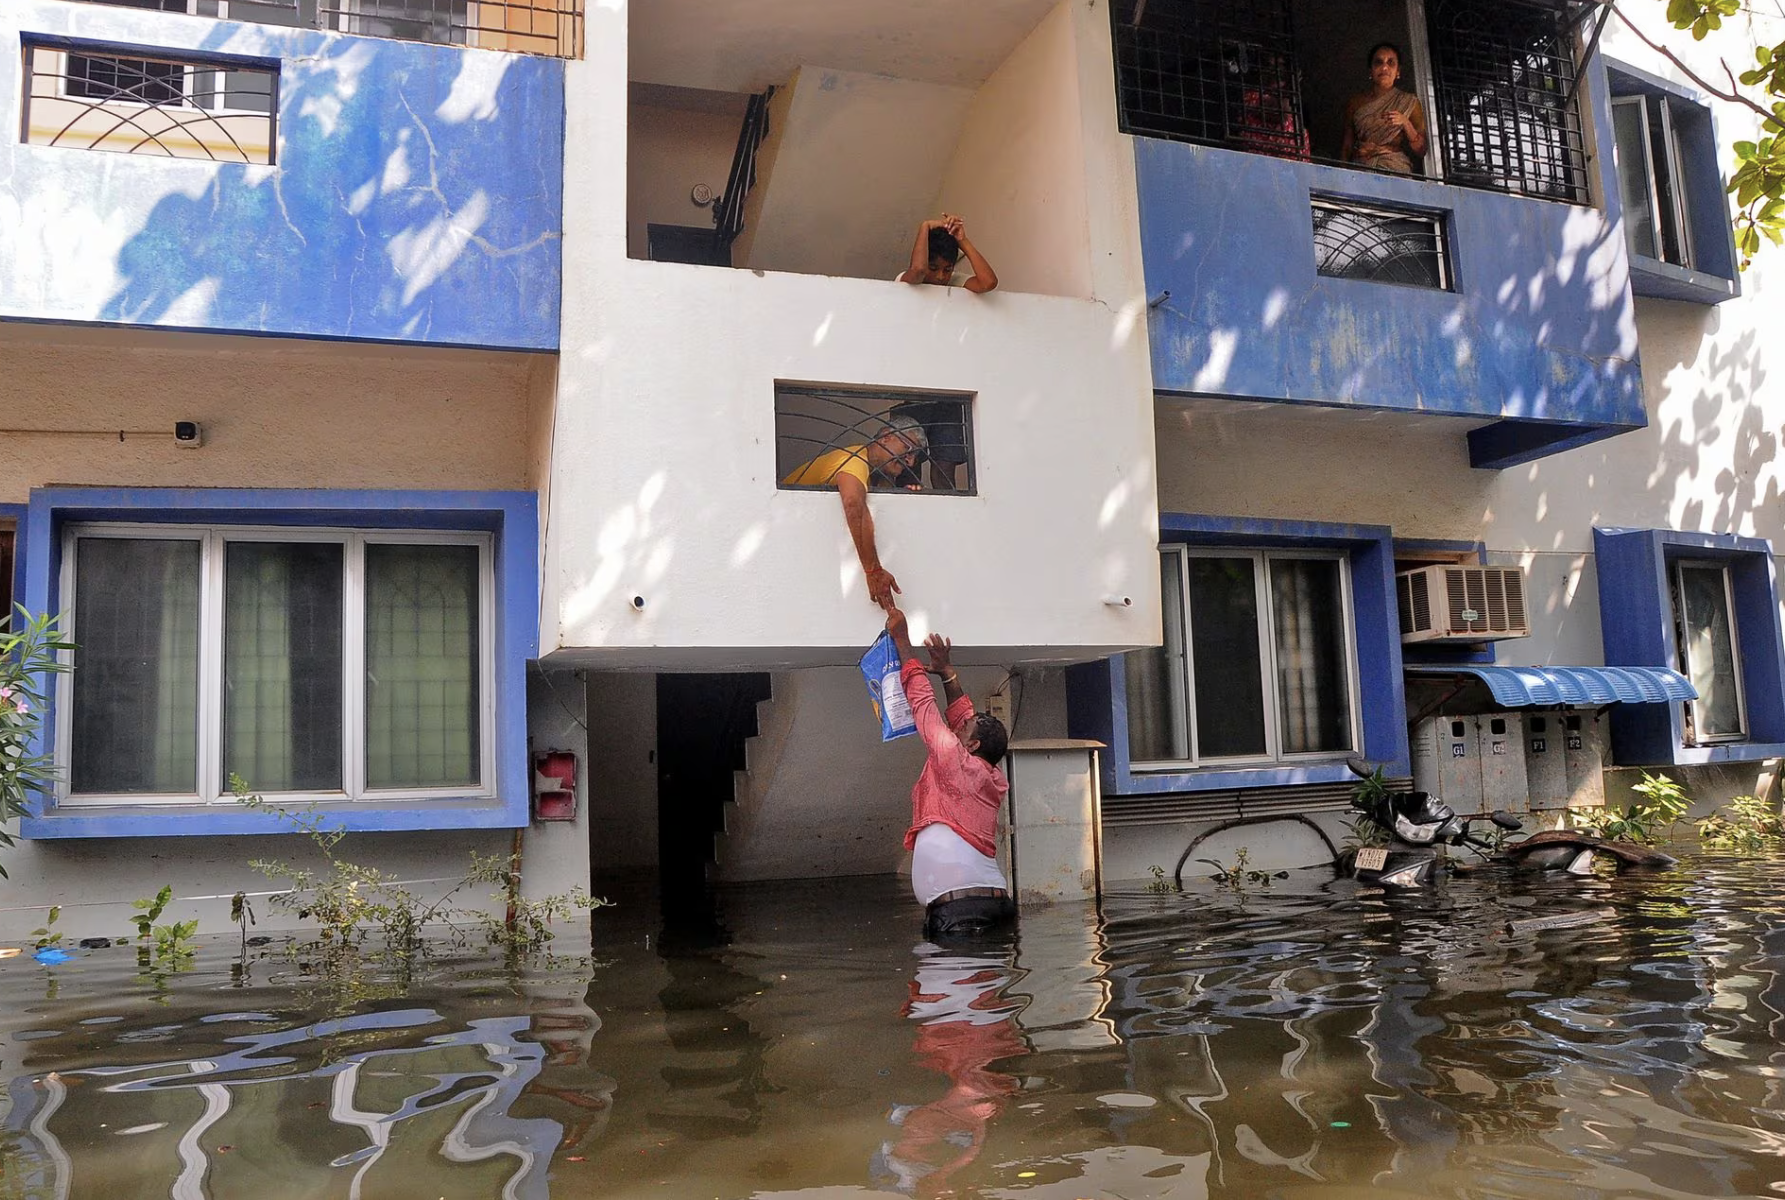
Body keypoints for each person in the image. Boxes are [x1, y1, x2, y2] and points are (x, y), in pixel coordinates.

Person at [883, 602, 1013, 940]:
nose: (957, 726)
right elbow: (962, 716)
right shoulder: (992, 778)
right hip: (991, 906)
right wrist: (947, 672)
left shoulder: (955, 759)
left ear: (969, 746)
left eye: (963, 729)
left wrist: (902, 641)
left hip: (960, 914)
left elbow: (923, 705)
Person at [782, 416, 928, 607]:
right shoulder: (855, 459)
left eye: (915, 456)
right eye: (908, 449)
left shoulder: (874, 474)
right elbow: (853, 503)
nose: (910, 462)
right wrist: (873, 571)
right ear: (885, 437)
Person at [1341, 42, 1427, 175]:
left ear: (1398, 71)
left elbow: (1421, 150)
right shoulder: (1355, 103)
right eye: (1378, 62)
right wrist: (1343, 176)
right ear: (1371, 70)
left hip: (1395, 168)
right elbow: (1347, 147)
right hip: (1361, 169)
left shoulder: (1409, 102)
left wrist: (1405, 122)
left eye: (1391, 63)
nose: (1384, 67)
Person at [898, 214, 998, 294]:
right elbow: (919, 270)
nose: (940, 276)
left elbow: (988, 283)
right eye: (933, 268)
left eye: (947, 270)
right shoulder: (908, 280)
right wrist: (925, 226)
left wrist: (962, 240)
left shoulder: (954, 281)